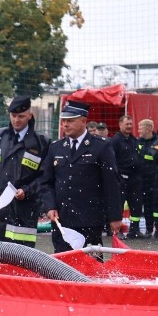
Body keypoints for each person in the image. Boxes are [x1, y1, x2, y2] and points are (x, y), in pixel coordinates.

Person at [39, 100, 123, 252]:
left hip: (89, 219)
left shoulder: (101, 146)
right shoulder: (55, 148)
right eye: (63, 121)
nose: (65, 124)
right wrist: (50, 206)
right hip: (62, 219)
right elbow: (46, 182)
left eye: (70, 121)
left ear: (84, 121)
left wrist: (115, 216)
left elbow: (112, 183)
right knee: (62, 265)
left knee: (91, 265)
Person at [0, 96, 50, 247]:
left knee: (20, 263)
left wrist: (26, 191)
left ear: (30, 114)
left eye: (21, 116)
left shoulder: (41, 143)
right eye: (13, 116)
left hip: (23, 214)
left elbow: (44, 178)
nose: (16, 120)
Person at [109, 115, 140, 238]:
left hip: (135, 178)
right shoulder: (115, 140)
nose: (129, 126)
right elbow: (112, 159)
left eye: (131, 124)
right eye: (127, 124)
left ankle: (134, 230)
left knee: (136, 204)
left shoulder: (134, 140)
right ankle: (117, 231)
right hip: (122, 177)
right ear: (120, 124)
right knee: (119, 204)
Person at [135, 119, 158, 238]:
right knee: (146, 205)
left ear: (148, 128)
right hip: (142, 179)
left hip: (155, 179)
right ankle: (149, 230)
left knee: (157, 205)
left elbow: (152, 157)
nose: (138, 130)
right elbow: (139, 157)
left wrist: (140, 156)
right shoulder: (139, 141)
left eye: (140, 128)